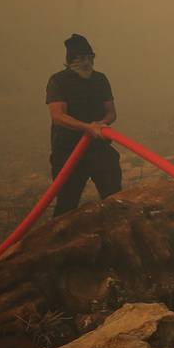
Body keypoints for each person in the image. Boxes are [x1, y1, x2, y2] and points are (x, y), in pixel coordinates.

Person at [45, 33, 121, 214]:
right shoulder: (58, 81)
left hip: (99, 148)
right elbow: (58, 116)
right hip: (68, 152)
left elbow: (111, 112)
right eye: (81, 59)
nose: (87, 63)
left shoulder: (100, 80)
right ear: (70, 61)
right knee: (66, 205)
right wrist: (88, 128)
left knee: (116, 201)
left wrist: (101, 125)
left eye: (90, 57)